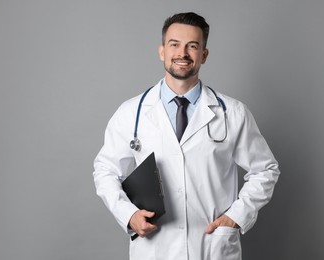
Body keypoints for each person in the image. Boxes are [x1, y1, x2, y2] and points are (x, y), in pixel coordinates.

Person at [93, 12, 280, 260]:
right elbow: (105, 170)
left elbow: (265, 169)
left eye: (192, 46)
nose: (182, 53)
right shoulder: (131, 113)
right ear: (162, 51)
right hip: (155, 247)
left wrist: (237, 216)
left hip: (212, 247)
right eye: (174, 45)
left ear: (204, 55)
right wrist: (128, 214)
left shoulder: (233, 113)